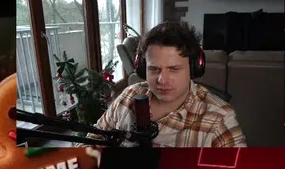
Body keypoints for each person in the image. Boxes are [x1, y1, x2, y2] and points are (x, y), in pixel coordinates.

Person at [94, 21, 246, 148]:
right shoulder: (128, 96)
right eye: (154, 69)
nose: (162, 80)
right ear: (142, 68)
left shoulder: (220, 119)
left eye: (174, 69)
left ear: (194, 68)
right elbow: (92, 143)